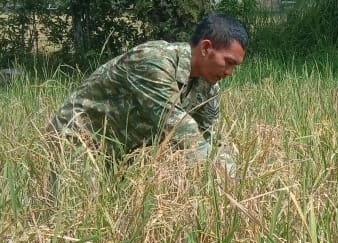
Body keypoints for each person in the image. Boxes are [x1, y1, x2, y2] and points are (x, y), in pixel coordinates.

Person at [48, 12, 248, 177]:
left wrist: (234, 180)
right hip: (79, 140)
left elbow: (211, 137)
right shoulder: (153, 60)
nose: (229, 72)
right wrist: (221, 178)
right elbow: (178, 129)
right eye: (228, 62)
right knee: (82, 208)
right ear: (205, 48)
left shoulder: (209, 87)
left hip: (121, 151)